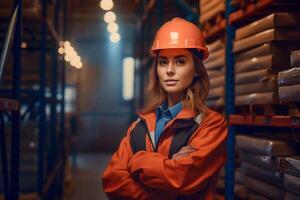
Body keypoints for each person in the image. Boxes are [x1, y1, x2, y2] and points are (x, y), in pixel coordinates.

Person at [102, 17, 228, 200]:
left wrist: (137, 161)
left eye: (180, 61)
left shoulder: (211, 126)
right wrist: (167, 167)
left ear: (196, 70)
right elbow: (112, 180)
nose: (169, 70)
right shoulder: (140, 124)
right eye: (163, 62)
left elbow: (181, 178)